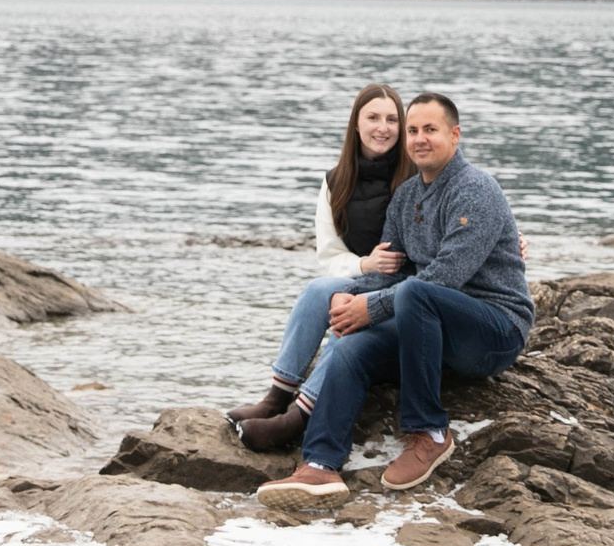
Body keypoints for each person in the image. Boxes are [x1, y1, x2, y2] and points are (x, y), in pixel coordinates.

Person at [257, 91, 531, 508]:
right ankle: (319, 465)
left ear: (455, 136)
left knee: (420, 292)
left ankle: (430, 433)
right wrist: (349, 298)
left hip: (493, 329)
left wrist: (373, 307)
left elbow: (445, 278)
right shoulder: (406, 198)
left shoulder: (475, 189)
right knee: (351, 345)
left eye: (431, 130)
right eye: (415, 130)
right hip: (430, 330)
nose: (421, 138)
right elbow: (398, 271)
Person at [226, 83, 407, 451]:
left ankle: (299, 418)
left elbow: (461, 202)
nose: (382, 128)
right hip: (362, 277)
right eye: (372, 117)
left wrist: (508, 233)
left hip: (405, 291)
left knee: (347, 323)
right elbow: (328, 256)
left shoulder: (417, 173)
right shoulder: (335, 182)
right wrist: (364, 263)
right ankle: (278, 394)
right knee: (317, 291)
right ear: (355, 125)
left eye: (392, 119)